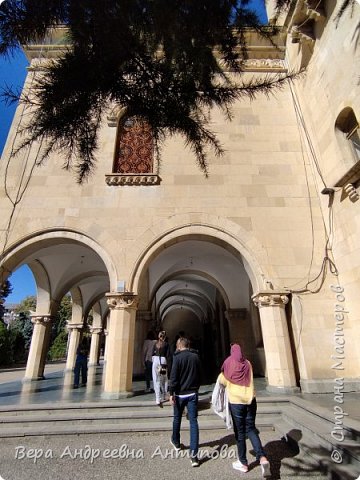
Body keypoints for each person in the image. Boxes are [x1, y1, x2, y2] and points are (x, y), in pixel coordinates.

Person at [217, 343, 271, 477]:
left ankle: (243, 462)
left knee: (240, 433)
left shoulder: (228, 363)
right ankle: (262, 458)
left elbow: (222, 380)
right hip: (250, 401)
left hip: (236, 402)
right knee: (251, 429)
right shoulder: (247, 363)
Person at [169, 337, 201, 467]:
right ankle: (194, 456)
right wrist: (196, 387)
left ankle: (176, 442)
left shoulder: (177, 358)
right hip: (192, 393)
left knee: (177, 418)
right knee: (193, 422)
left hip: (180, 394)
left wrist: (171, 393)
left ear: (179, 346)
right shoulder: (195, 357)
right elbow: (200, 374)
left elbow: (174, 377)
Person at [152, 330, 169, 407]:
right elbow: (168, 355)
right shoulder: (166, 344)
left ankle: (157, 399)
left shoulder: (155, 343)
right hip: (162, 361)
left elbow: (152, 354)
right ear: (165, 337)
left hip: (155, 361)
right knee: (164, 379)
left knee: (156, 380)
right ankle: (164, 395)